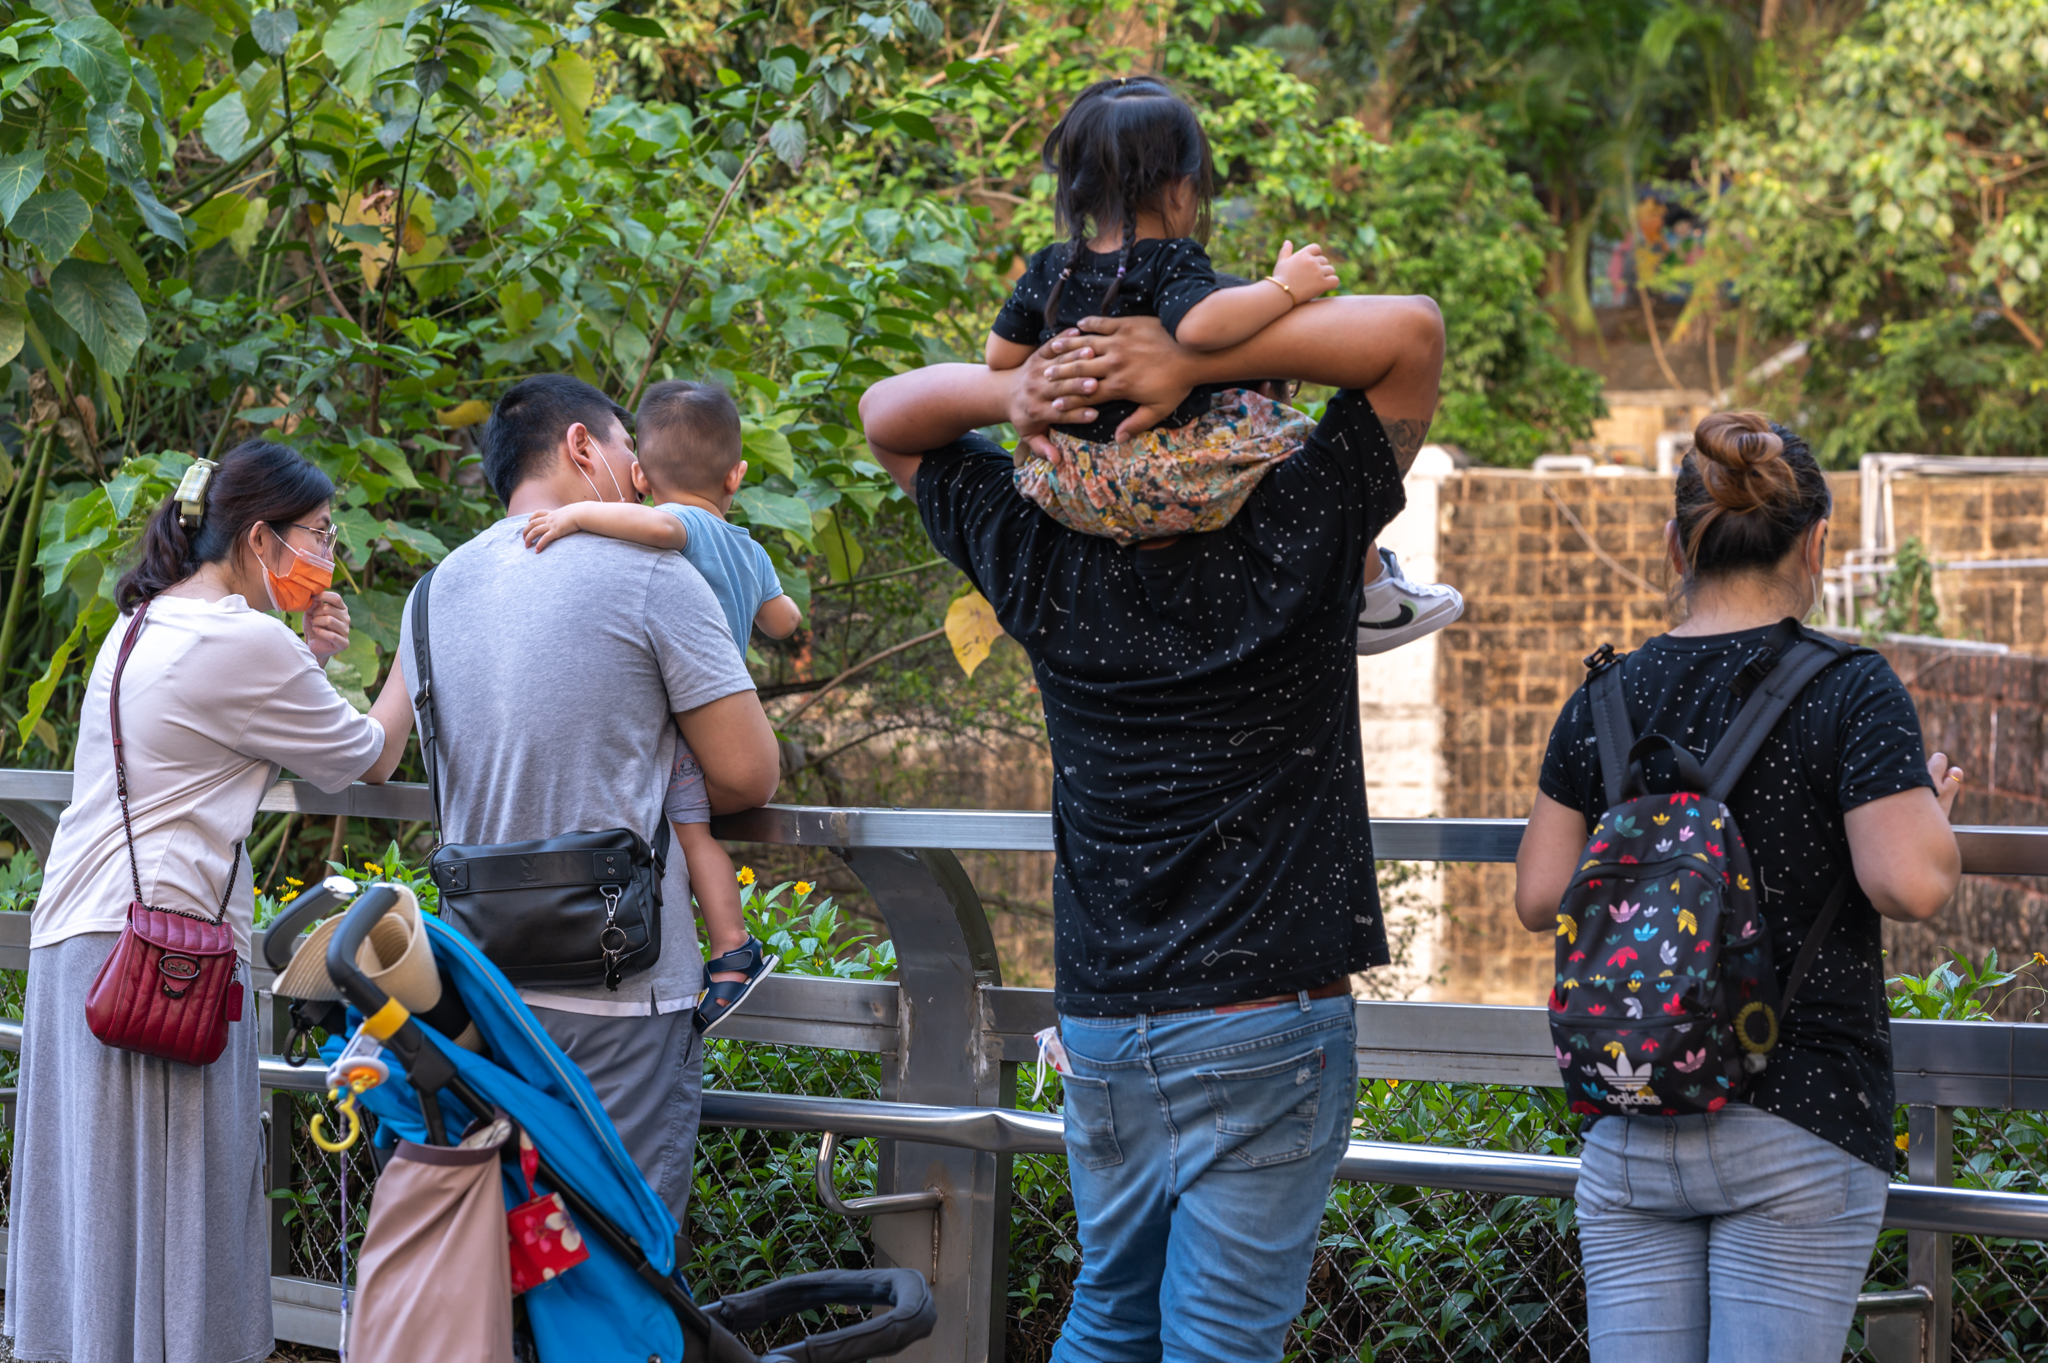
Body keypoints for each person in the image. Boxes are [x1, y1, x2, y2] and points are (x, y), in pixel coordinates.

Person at [859, 292, 1446, 1363]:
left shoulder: (1030, 538)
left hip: (1105, 1021)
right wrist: (1191, 349)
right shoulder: (1301, 518)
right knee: (1219, 1343)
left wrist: (1014, 389)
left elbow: (888, 414)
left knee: (1109, 1317)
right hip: (1265, 1006)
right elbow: (1407, 335)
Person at [1512, 411, 1966, 1363]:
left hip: (1634, 1113)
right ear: (1818, 541)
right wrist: (1925, 808)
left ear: (1677, 542)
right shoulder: (1852, 689)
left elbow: (1540, 893)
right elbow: (1912, 883)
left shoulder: (1604, 697)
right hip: (1798, 1112)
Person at [6, 440, 415, 1363]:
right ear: (262, 537)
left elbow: (218, 725)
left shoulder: (142, 621)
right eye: (318, 533)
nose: (329, 553)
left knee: (98, 1222)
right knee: (186, 1201)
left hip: (82, 941)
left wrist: (302, 653)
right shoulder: (244, 639)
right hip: (163, 959)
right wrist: (416, 664)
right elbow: (369, 755)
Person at [400, 373, 778, 1229]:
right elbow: (751, 776)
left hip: (482, 986)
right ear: (581, 448)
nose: (638, 476)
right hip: (622, 993)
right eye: (624, 452)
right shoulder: (654, 573)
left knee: (505, 1250)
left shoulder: (433, 593)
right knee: (618, 1256)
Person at [986, 74, 1462, 655]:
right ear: (1183, 188)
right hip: (1162, 478)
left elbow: (998, 356)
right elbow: (1203, 326)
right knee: (1292, 431)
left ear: (1079, 188)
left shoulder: (1050, 268)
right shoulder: (1170, 258)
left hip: (1070, 485)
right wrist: (1282, 288)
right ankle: (1372, 592)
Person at [520, 377, 799, 1031]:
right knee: (687, 828)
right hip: (725, 712)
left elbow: (662, 529)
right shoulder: (749, 548)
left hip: (682, 726)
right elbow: (783, 619)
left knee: (692, 832)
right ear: (738, 475)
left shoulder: (680, 525)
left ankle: (733, 948)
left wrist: (576, 516)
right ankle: (725, 944)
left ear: (640, 475)